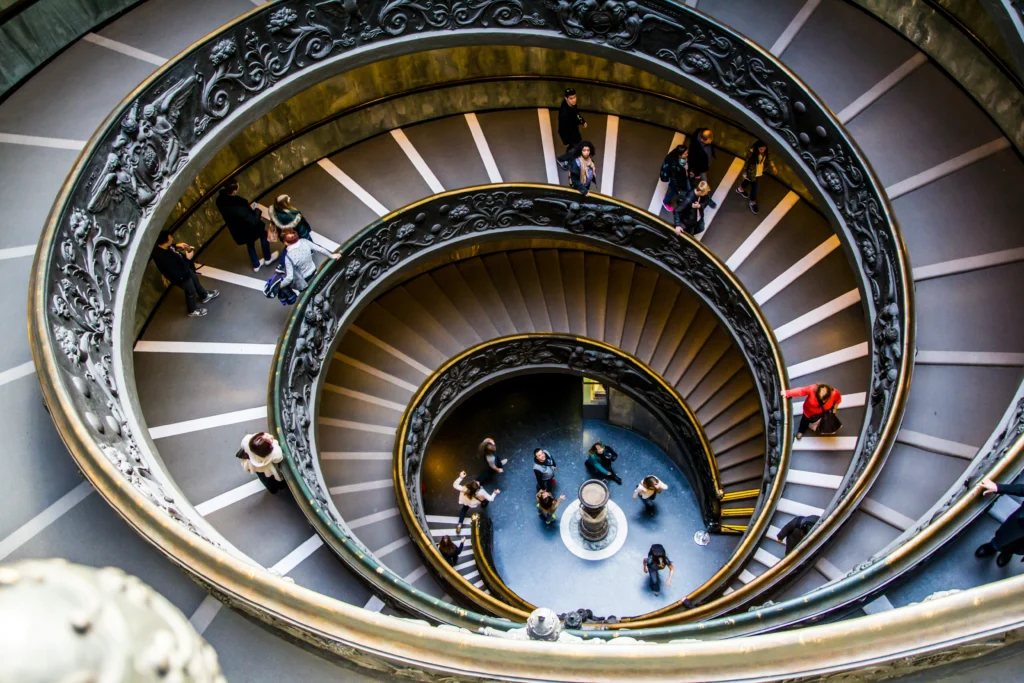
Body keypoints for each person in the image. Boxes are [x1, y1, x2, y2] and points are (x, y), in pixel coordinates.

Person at [151, 230, 219, 317]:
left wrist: (176, 245)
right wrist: (188, 259)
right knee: (191, 291)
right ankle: (192, 310)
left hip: (184, 269)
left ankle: (204, 295)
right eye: (170, 238)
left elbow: (169, 248)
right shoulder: (163, 258)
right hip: (181, 277)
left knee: (194, 279)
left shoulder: (161, 247)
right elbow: (179, 271)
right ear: (166, 241)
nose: (172, 238)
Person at [215, 180, 277, 272]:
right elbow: (253, 220)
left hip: (238, 229)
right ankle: (268, 258)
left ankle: (256, 264)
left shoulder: (220, 201)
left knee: (250, 243)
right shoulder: (239, 207)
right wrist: (257, 210)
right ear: (234, 191)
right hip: (249, 227)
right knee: (263, 235)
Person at [976, 478, 1024, 566]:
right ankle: (993, 546)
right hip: (1021, 523)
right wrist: (998, 487)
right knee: (1004, 535)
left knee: (1020, 547)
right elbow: (1021, 489)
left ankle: (1008, 552)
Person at [736, 139, 777, 215]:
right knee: (755, 188)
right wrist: (744, 172)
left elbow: (769, 159)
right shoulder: (751, 153)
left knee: (748, 181)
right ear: (757, 147)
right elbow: (747, 163)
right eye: (761, 149)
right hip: (752, 173)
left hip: (758, 172)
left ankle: (740, 189)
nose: (763, 150)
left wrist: (773, 166)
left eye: (764, 149)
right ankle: (752, 202)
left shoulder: (764, 152)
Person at [556, 88, 587, 169]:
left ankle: (566, 160)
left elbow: (576, 113)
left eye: (574, 97)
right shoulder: (564, 113)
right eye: (571, 98)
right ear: (566, 98)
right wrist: (565, 140)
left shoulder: (572, 105)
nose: (574, 100)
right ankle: (562, 159)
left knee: (573, 146)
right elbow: (562, 128)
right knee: (578, 146)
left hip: (573, 129)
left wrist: (582, 121)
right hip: (569, 133)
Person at [688, 127, 717, 207]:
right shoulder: (695, 148)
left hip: (703, 165)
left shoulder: (702, 133)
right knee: (704, 183)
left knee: (692, 178)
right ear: (702, 139)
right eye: (709, 141)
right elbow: (694, 160)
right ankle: (707, 198)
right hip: (700, 169)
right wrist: (697, 173)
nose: (710, 142)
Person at [660, 143, 690, 212]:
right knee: (673, 193)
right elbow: (674, 178)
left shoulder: (682, 160)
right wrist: (678, 189)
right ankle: (665, 202)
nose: (687, 155)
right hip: (677, 183)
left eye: (687, 153)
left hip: (682, 179)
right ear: (679, 155)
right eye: (685, 154)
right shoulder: (674, 165)